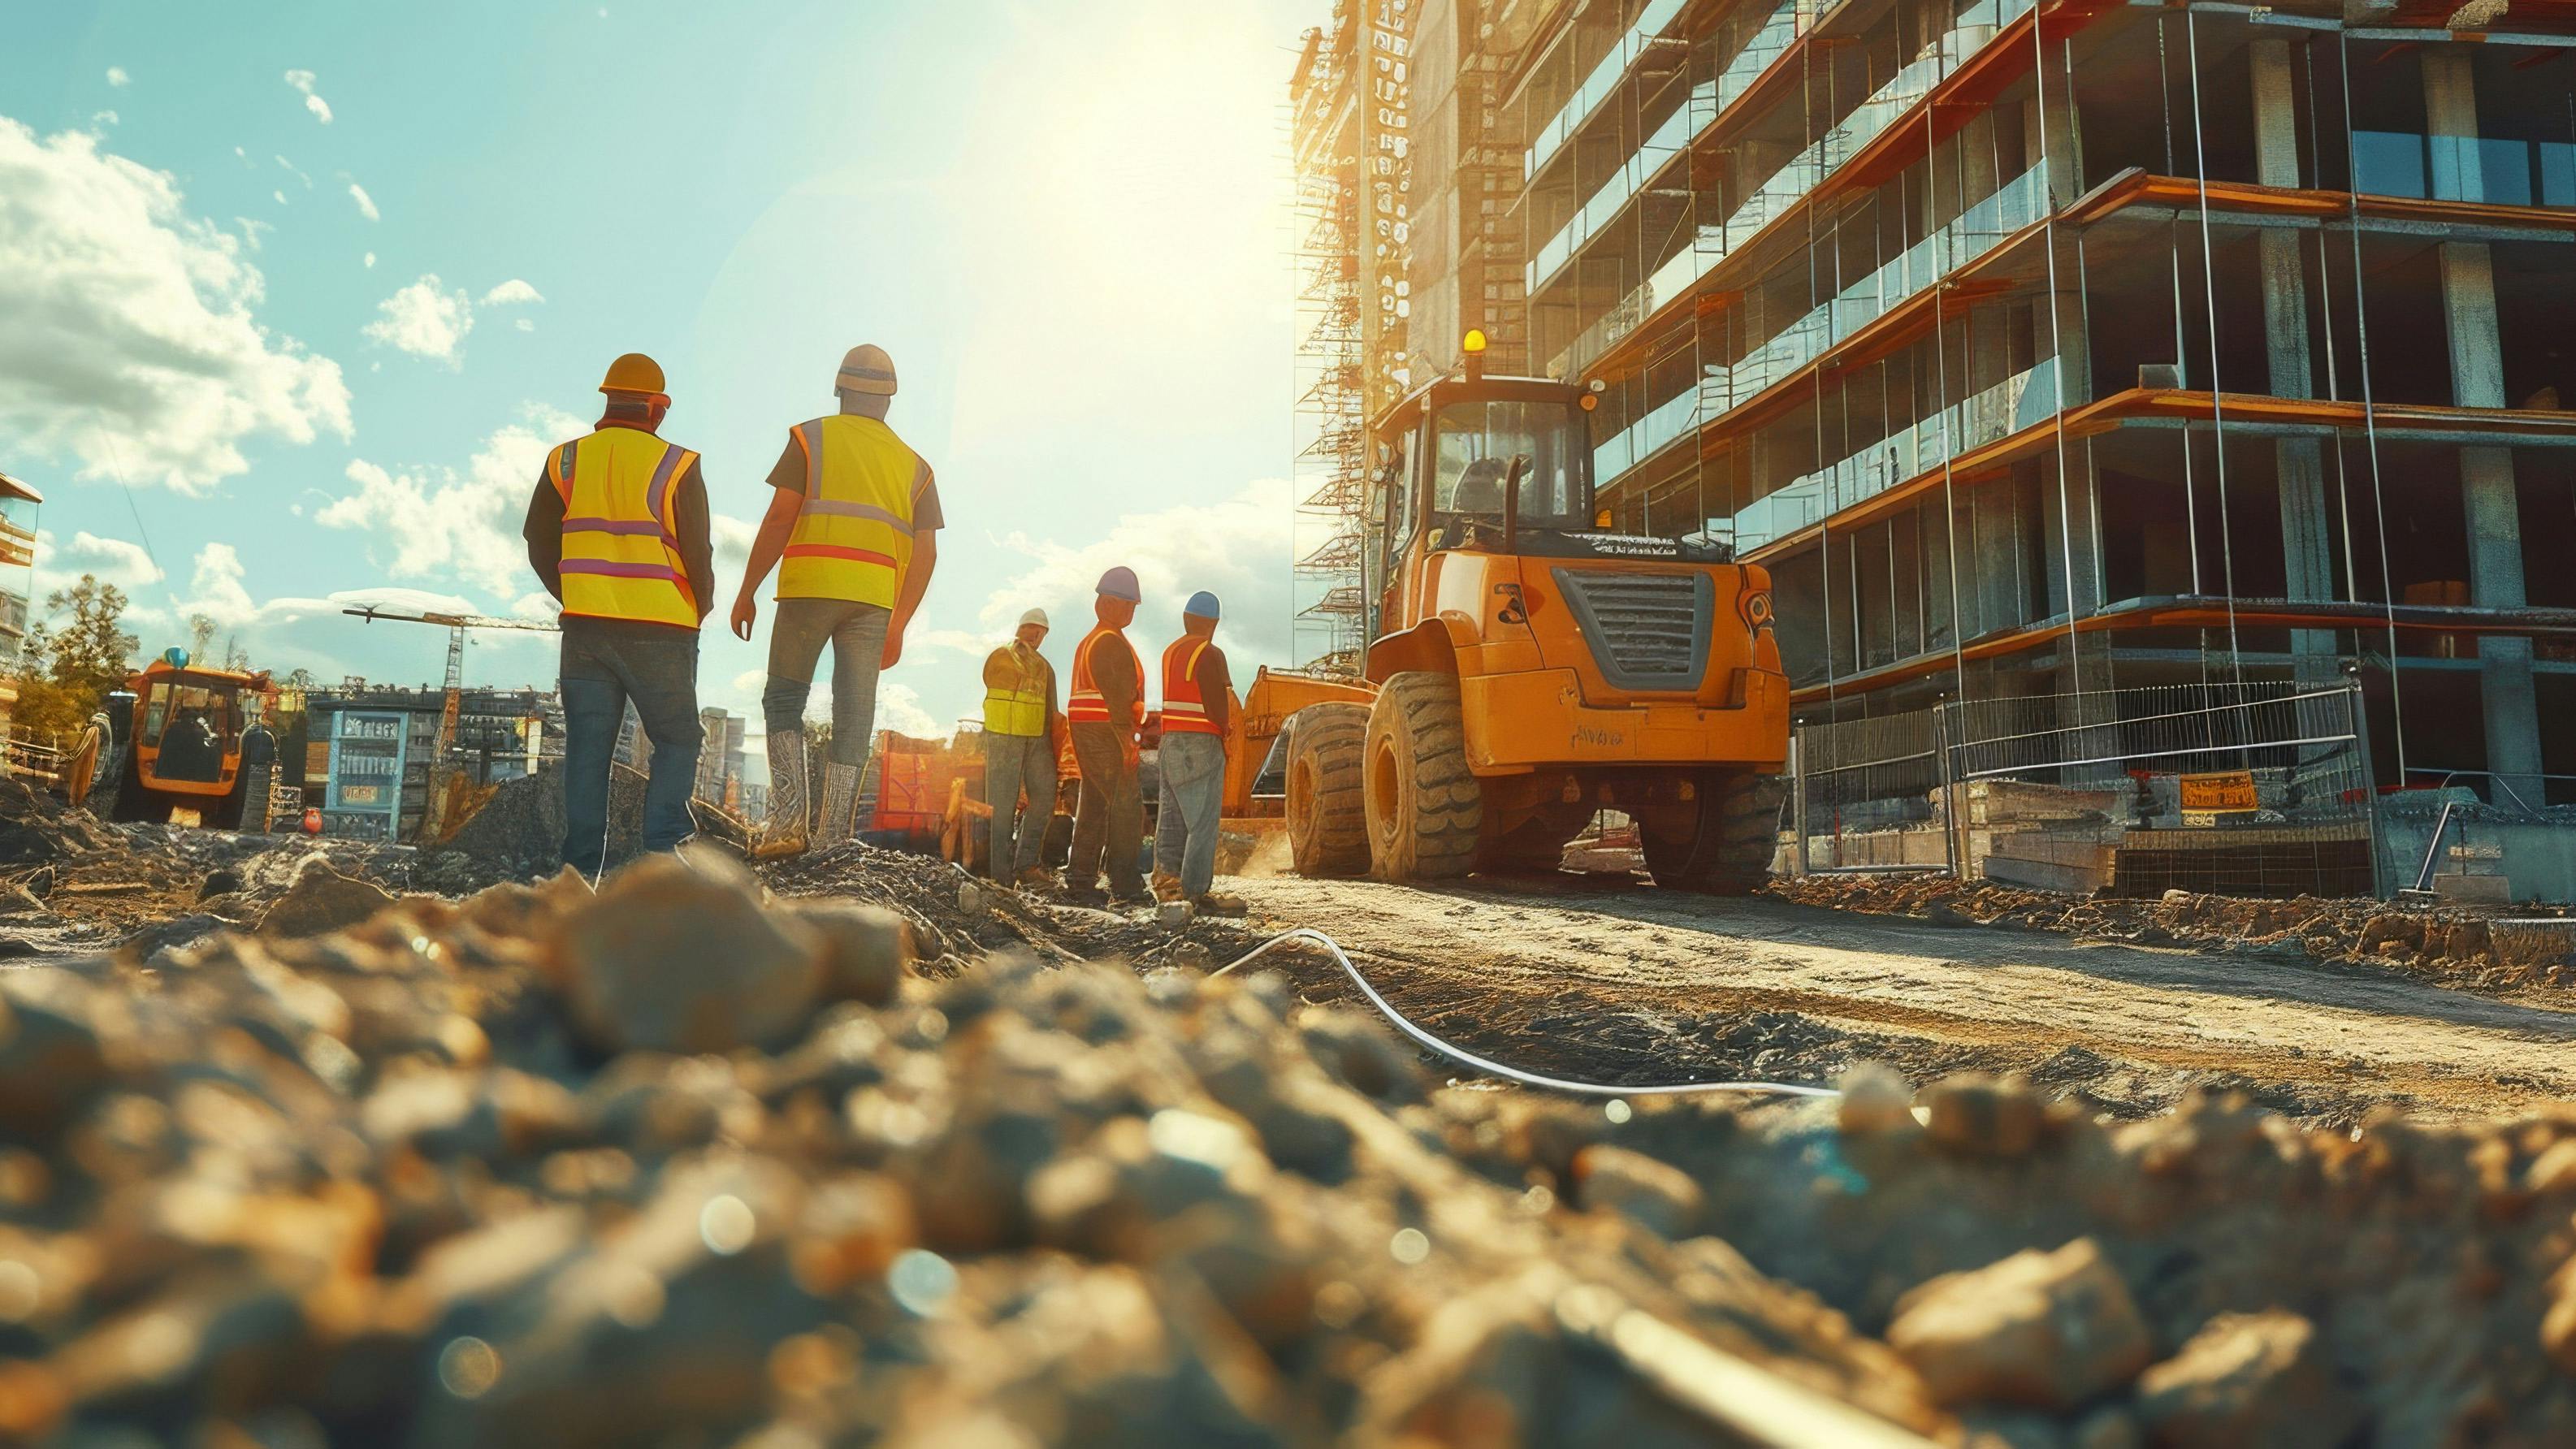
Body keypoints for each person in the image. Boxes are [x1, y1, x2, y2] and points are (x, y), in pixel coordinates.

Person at [730, 344, 942, 856]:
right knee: (854, 715)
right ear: (890, 400)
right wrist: (900, 624)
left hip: (810, 586)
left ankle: (786, 825)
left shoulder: (811, 438)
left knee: (784, 698)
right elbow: (926, 554)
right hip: (872, 603)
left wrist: (748, 589)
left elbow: (781, 517)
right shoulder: (916, 467)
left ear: (840, 388)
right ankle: (833, 839)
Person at [522, 352, 714, 875]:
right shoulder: (678, 464)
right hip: (662, 627)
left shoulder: (565, 460)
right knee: (678, 738)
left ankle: (580, 871)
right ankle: (663, 856)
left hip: (586, 628)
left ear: (608, 398)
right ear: (657, 407)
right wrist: (702, 604)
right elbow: (698, 551)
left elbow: (537, 539)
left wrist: (573, 594)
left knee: (589, 750)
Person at [1152, 591, 1243, 915]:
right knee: (1202, 823)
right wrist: (1228, 732)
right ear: (1213, 624)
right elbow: (1219, 705)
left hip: (1170, 741)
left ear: (1186, 619)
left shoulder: (1170, 652)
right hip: (1201, 742)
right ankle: (1195, 893)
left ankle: (1168, 884)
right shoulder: (1210, 653)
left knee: (1172, 817)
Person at [1064, 565, 1148, 904]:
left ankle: (1081, 878)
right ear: (1107, 603)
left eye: (1133, 607)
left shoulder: (1092, 639)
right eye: (1126, 605)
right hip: (1105, 728)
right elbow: (1118, 699)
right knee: (1126, 803)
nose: (1130, 612)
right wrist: (1128, 742)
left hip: (1087, 727)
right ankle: (1125, 884)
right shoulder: (1110, 641)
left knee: (1096, 802)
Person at [981, 607, 1060, 887]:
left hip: (1032, 738)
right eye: (1033, 631)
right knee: (1002, 806)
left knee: (1043, 795)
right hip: (1006, 738)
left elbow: (1052, 710)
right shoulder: (1004, 656)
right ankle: (1000, 876)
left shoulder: (1041, 666)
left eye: (1037, 632)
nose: (1035, 636)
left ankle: (1025, 866)